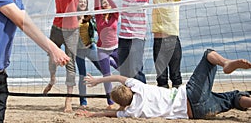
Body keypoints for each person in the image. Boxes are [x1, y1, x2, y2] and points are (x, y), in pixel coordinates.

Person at [80, 49, 251, 119]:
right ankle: (226, 63)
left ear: (121, 104)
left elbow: (107, 114)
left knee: (232, 99)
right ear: (129, 89)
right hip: (189, 96)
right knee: (208, 55)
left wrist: (90, 115)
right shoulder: (139, 87)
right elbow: (117, 78)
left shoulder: (131, 112)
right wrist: (98, 80)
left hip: (196, 113)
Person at [41, 0, 82, 112]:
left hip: (71, 30)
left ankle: (68, 100)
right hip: (57, 27)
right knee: (51, 55)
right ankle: (52, 79)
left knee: (70, 64)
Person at [152, 0, 184, 88]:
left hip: (174, 41)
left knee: (175, 75)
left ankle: (179, 103)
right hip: (159, 41)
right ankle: (163, 104)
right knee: (161, 76)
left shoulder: (175, 1)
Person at [91, 0, 119, 109]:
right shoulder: (98, 16)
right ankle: (110, 103)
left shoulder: (115, 15)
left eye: (106, 3)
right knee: (106, 75)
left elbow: (115, 7)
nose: (104, 4)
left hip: (115, 48)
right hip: (102, 49)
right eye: (103, 3)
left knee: (124, 70)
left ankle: (130, 96)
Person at [76, 0, 102, 108]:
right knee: (82, 76)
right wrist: (79, 19)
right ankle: (83, 102)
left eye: (84, 2)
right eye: (80, 2)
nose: (82, 3)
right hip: (78, 50)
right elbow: (71, 30)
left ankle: (110, 99)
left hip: (91, 47)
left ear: (86, 4)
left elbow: (98, 28)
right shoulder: (72, 16)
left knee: (104, 69)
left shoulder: (90, 16)